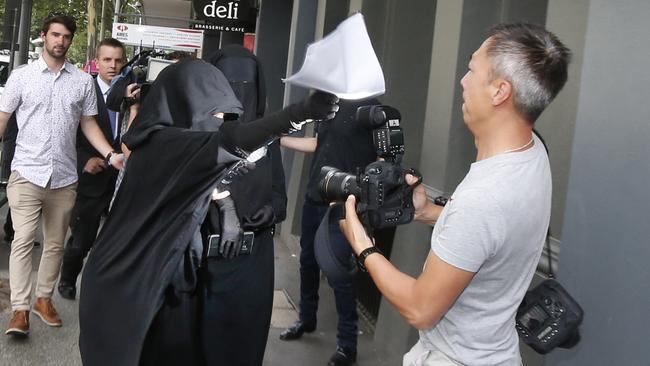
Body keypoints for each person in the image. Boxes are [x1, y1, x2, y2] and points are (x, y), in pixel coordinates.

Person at [78, 59, 339, 366]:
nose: (219, 121)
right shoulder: (163, 144)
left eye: (225, 116)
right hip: (131, 292)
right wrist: (300, 113)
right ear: (182, 103)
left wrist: (227, 203)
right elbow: (231, 142)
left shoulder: (162, 144)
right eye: (213, 113)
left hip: (160, 284)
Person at [338, 22, 571, 366]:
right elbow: (494, 234)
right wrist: (427, 211)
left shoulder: (485, 198)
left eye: (472, 69)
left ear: (499, 92)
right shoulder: (533, 150)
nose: (463, 80)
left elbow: (420, 308)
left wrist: (361, 244)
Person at [0, 12, 124, 337]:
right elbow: (3, 118)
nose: (61, 41)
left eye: (66, 37)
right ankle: (20, 310)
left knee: (55, 244)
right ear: (44, 36)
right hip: (26, 172)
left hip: (65, 178)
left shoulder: (81, 81)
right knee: (24, 240)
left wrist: (110, 154)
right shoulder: (21, 77)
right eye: (56, 35)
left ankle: (44, 299)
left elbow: (88, 124)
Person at [203, 44, 288, 365]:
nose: (239, 93)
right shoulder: (198, 133)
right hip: (207, 256)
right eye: (230, 84)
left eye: (246, 85)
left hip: (254, 257)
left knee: (246, 338)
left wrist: (271, 211)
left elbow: (280, 194)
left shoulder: (268, 136)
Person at [280, 98, 380, 366]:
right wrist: (278, 138)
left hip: (344, 204)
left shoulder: (371, 110)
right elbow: (317, 144)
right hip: (315, 196)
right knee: (308, 262)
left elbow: (382, 158)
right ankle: (306, 318)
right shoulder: (328, 105)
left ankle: (348, 345)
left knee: (338, 273)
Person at [57, 38, 127, 300]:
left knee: (116, 240)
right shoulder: (83, 90)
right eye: (107, 60)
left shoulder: (130, 93)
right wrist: (82, 160)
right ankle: (67, 279)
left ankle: (104, 291)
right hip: (91, 177)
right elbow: (66, 134)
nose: (113, 65)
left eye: (118, 60)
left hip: (122, 179)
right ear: (97, 62)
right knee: (82, 238)